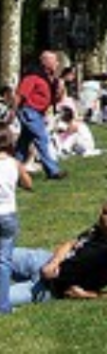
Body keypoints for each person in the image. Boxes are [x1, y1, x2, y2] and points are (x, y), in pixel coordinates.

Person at [7, 196, 107, 306]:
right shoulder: (100, 229)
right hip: (43, 261)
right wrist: (54, 263)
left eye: (105, 213)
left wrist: (86, 295)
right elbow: (70, 244)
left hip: (49, 288)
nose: (100, 214)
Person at [15, 51, 65, 180]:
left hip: (38, 113)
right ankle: (53, 171)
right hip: (29, 111)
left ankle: (13, 169)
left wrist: (59, 90)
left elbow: (53, 100)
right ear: (45, 62)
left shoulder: (50, 79)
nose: (57, 63)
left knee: (23, 144)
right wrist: (13, 112)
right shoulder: (32, 77)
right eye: (54, 60)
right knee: (42, 138)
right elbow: (21, 95)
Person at [0, 124, 33, 314]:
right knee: (4, 261)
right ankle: (3, 305)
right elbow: (28, 183)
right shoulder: (14, 163)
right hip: (7, 214)